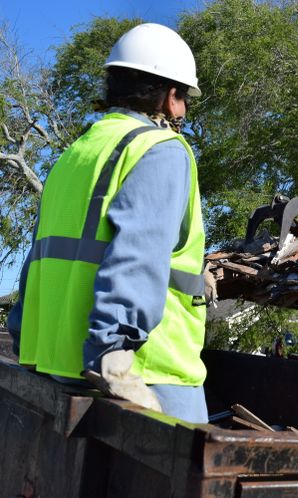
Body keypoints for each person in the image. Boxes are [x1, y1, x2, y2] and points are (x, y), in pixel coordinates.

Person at [7, 23, 210, 423]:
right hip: (145, 370)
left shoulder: (76, 153)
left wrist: (22, 335)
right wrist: (113, 358)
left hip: (57, 365)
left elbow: (40, 259)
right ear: (170, 97)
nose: (183, 111)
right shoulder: (160, 150)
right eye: (184, 97)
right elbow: (136, 257)